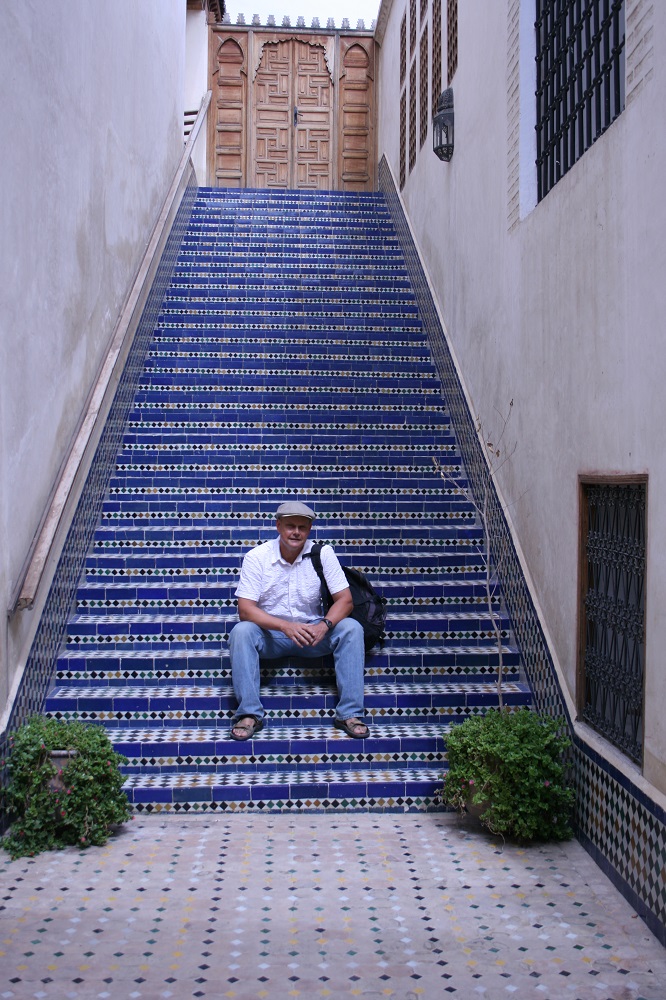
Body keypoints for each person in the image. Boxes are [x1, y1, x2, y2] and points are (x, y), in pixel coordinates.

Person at [227, 500, 369, 741]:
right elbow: (246, 610)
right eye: (290, 526)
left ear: (309, 529)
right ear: (278, 526)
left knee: (351, 628)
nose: (296, 532)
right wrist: (285, 626)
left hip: (313, 634)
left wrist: (324, 625)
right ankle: (249, 714)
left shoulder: (323, 553)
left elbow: (345, 601)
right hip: (271, 636)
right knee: (241, 632)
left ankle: (350, 713)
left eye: (302, 527)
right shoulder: (257, 557)